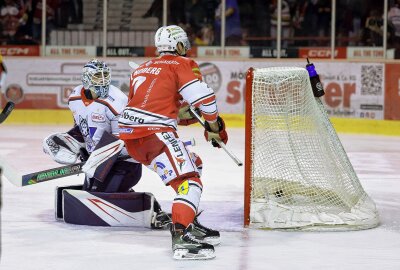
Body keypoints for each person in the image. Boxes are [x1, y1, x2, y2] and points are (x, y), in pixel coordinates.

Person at [118, 25, 226, 260]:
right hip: (155, 134)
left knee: (193, 163)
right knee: (191, 181)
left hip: (132, 138)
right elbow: (204, 98)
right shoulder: (182, 64)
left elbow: (153, 106)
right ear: (178, 45)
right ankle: (181, 236)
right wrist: (215, 126)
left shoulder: (142, 69)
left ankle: (189, 219)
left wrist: (188, 117)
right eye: (184, 43)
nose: (186, 48)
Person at [42, 59, 170, 228]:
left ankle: (154, 210)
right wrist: (73, 144)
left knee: (97, 196)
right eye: (97, 76)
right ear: (86, 78)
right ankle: (124, 196)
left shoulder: (117, 101)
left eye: (105, 75)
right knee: (92, 195)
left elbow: (123, 140)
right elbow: (82, 129)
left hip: (124, 165)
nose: (102, 80)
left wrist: (97, 158)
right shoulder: (74, 97)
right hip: (99, 161)